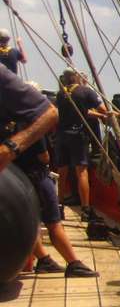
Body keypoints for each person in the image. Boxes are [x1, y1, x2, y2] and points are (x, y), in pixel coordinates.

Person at [0, 65, 98, 277]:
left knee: (33, 220)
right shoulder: (31, 128)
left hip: (18, 174)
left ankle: (43, 258)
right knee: (53, 221)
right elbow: (44, 156)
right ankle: (74, 262)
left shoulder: (11, 126)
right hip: (36, 175)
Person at [54, 69, 108, 218]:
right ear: (77, 78)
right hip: (78, 136)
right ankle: (85, 208)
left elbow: (79, 112)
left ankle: (59, 205)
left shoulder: (61, 94)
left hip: (62, 136)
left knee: (62, 171)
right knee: (81, 172)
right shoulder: (85, 92)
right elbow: (103, 110)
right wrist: (113, 115)